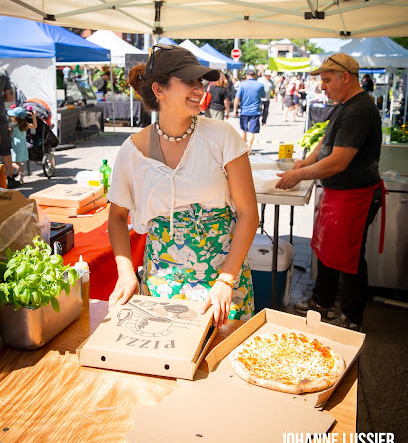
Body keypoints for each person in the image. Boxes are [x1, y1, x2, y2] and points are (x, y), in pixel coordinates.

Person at [107, 45, 258, 328]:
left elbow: (249, 213)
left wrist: (227, 279)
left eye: (200, 81)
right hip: (161, 277)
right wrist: (126, 272)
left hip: (223, 275)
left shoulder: (222, 136)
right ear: (159, 90)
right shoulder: (131, 151)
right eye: (188, 81)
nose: (199, 88)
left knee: (221, 361)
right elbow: (116, 217)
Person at [275, 54, 382, 331]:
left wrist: (297, 174)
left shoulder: (360, 109)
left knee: (350, 258)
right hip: (338, 193)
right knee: (326, 251)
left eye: (326, 80)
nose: (322, 86)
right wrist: (307, 162)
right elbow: (327, 139)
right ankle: (321, 302)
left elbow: (338, 161)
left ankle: (352, 316)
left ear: (345, 77)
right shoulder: (346, 105)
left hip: (354, 194)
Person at [233, 66, 265, 154]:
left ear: (247, 75)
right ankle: (249, 148)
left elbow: (237, 98)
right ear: (254, 75)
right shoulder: (260, 85)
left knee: (243, 130)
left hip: (244, 111)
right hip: (255, 111)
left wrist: (235, 109)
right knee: (252, 131)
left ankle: (243, 148)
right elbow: (263, 96)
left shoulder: (242, 84)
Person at [0, 67, 19, 188]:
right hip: (0, 116)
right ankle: (10, 178)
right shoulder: (2, 73)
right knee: (5, 148)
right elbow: (10, 97)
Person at [6, 106, 37, 182]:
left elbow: (10, 132)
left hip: (15, 143)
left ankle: (21, 170)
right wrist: (34, 117)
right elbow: (34, 126)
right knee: (18, 161)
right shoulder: (25, 124)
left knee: (11, 162)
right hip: (23, 143)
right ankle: (21, 176)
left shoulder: (13, 124)